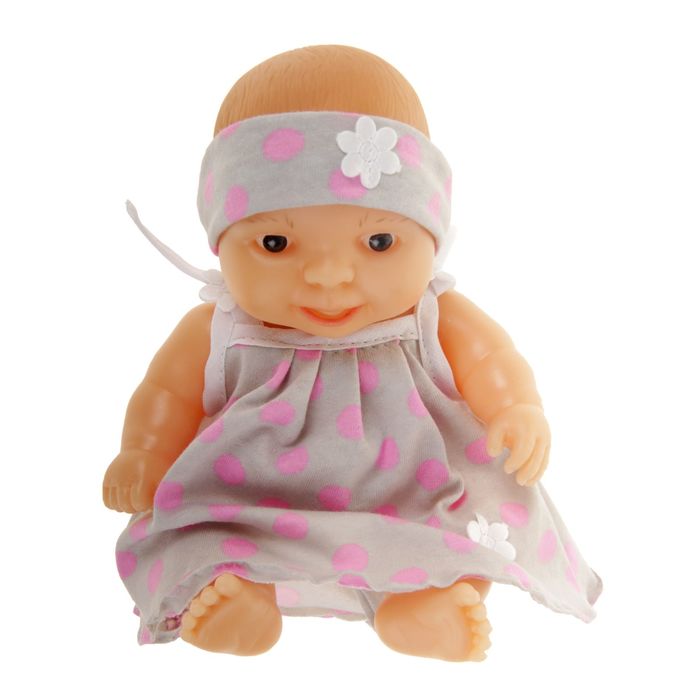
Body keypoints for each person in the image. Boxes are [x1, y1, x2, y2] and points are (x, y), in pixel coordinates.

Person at [104, 44, 602, 661]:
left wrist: (517, 408)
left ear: (430, 234)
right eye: (277, 243)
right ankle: (234, 599)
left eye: (379, 241)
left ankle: (423, 607)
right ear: (221, 237)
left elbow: (490, 360)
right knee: (192, 535)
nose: (329, 276)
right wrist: (144, 451)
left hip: (413, 496)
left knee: (466, 527)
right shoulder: (223, 327)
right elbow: (166, 392)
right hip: (251, 504)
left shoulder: (430, 317)